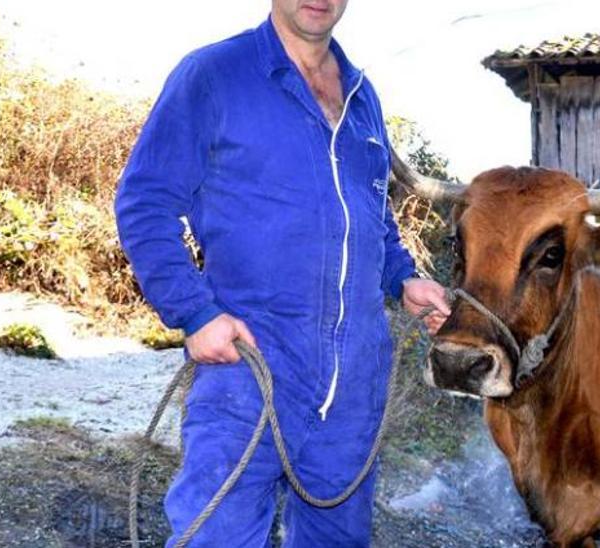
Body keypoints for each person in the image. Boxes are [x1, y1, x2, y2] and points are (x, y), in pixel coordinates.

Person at [114, 0, 450, 545]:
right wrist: (196, 313)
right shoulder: (213, 75)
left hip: (353, 389)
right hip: (247, 369)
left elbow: (371, 214)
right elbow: (145, 202)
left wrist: (403, 279)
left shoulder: (363, 98)